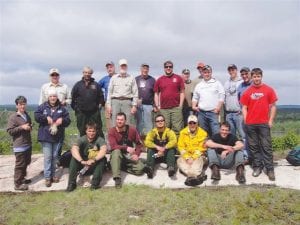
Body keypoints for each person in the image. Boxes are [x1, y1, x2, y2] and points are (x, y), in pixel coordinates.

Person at [240, 68, 278, 181]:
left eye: (258, 76)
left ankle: (269, 169)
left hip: (263, 123)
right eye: (254, 76)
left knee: (266, 147)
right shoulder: (247, 91)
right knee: (254, 147)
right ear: (252, 77)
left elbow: (273, 106)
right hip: (251, 124)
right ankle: (257, 167)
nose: (256, 78)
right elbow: (244, 107)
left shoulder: (268, 90)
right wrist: (246, 120)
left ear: (261, 77)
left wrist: (270, 120)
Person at [35, 89, 71, 187]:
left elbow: (68, 120)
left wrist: (62, 120)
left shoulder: (62, 108)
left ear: (57, 97)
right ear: (48, 97)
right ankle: (47, 177)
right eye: (51, 96)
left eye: (54, 96)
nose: (52, 98)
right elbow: (36, 116)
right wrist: (45, 118)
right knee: (48, 157)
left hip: (57, 137)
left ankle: (53, 175)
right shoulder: (43, 107)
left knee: (55, 157)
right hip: (46, 136)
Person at [39, 68, 71, 161]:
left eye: (56, 75)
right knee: (47, 139)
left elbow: (70, 99)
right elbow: (41, 102)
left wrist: (65, 101)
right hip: (47, 116)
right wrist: (42, 117)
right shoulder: (44, 87)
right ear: (50, 76)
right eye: (53, 75)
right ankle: (48, 161)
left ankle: (57, 160)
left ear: (59, 76)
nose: (55, 76)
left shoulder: (64, 87)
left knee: (59, 138)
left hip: (60, 115)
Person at [66, 123, 107, 192]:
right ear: (86, 131)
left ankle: (95, 184)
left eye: (93, 131)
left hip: (94, 164)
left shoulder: (100, 139)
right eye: (89, 131)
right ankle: (71, 184)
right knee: (74, 159)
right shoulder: (82, 139)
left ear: (96, 131)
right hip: (83, 165)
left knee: (102, 159)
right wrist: (81, 161)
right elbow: (74, 149)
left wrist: (94, 159)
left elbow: (104, 149)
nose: (91, 133)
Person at [108, 112, 145, 188]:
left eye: (121, 120)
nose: (119, 121)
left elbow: (139, 144)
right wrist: (126, 148)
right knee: (116, 151)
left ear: (125, 120)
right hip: (117, 155)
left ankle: (117, 166)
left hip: (128, 156)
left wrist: (136, 154)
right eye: (118, 119)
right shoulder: (112, 131)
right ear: (115, 120)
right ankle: (117, 178)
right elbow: (113, 146)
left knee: (140, 169)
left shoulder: (132, 130)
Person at [7, 96, 33, 191]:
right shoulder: (13, 117)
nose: (22, 106)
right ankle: (17, 184)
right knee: (20, 165)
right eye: (20, 104)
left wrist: (30, 126)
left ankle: (22, 179)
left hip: (27, 144)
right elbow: (10, 131)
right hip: (19, 145)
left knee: (26, 162)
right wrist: (22, 127)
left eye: (24, 104)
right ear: (17, 105)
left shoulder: (26, 115)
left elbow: (29, 125)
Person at [192, 65, 225, 137]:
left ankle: (217, 148)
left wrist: (218, 108)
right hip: (201, 113)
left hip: (213, 112)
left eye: (208, 72)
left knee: (216, 132)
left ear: (211, 73)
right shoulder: (199, 85)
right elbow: (195, 97)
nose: (206, 74)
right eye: (205, 72)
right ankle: (205, 148)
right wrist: (194, 106)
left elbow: (222, 96)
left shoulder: (217, 83)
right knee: (203, 133)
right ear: (202, 73)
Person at [71, 66, 104, 137]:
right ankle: (84, 146)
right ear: (83, 73)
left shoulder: (96, 84)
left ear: (91, 74)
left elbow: (101, 96)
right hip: (81, 112)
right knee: (82, 130)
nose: (87, 74)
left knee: (98, 129)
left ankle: (100, 146)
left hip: (94, 112)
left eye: (89, 73)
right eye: (85, 72)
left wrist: (100, 105)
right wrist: (76, 109)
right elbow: (73, 98)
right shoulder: (78, 85)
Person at [154, 60, 185, 136]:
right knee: (165, 128)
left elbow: (182, 92)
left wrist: (180, 105)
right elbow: (156, 93)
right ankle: (166, 146)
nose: (168, 68)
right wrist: (158, 106)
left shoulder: (178, 78)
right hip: (164, 109)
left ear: (172, 68)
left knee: (177, 128)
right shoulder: (159, 80)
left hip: (176, 108)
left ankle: (176, 147)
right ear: (164, 68)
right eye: (166, 67)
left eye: (170, 67)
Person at [177, 115, 208, 186]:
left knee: (197, 161)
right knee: (179, 161)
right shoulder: (182, 133)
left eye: (194, 123)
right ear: (187, 124)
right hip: (187, 156)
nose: (192, 125)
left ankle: (190, 176)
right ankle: (197, 176)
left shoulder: (203, 133)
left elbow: (202, 148)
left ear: (197, 124)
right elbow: (181, 147)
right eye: (190, 123)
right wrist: (187, 158)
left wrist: (193, 158)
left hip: (198, 156)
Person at [106, 59, 138, 126]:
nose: (123, 67)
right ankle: (115, 136)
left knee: (127, 122)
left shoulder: (131, 78)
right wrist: (109, 105)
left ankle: (126, 136)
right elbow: (109, 92)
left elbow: (135, 93)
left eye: (124, 66)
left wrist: (134, 105)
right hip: (115, 102)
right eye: (121, 66)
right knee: (114, 122)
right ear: (119, 67)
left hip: (127, 102)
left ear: (127, 67)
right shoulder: (114, 78)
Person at [144, 114, 177, 178]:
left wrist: (164, 148)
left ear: (164, 122)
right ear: (155, 123)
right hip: (156, 156)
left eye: (162, 120)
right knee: (150, 150)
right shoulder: (152, 132)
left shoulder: (169, 131)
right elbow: (147, 142)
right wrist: (157, 147)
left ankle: (171, 168)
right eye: (158, 121)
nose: (160, 122)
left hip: (166, 156)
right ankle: (150, 169)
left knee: (171, 150)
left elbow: (174, 141)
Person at [224, 64, 244, 140]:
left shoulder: (241, 82)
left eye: (233, 70)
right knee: (231, 135)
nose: (231, 71)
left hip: (239, 113)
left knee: (242, 133)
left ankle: (245, 151)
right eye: (230, 70)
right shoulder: (226, 83)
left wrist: (243, 109)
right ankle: (234, 151)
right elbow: (224, 97)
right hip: (229, 113)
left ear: (236, 70)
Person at [135, 63, 156, 138]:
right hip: (138, 105)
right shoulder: (136, 79)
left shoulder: (152, 80)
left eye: (146, 69)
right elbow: (132, 91)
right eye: (143, 68)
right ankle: (139, 141)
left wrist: (154, 105)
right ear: (141, 69)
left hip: (149, 105)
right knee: (139, 123)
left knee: (149, 124)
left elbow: (155, 94)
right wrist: (135, 102)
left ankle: (149, 140)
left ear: (148, 70)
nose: (145, 70)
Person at [237, 67, 252, 162]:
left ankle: (258, 157)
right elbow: (239, 100)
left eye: (246, 74)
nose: (244, 76)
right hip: (244, 113)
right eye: (242, 74)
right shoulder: (240, 86)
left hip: (254, 114)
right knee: (244, 136)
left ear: (250, 73)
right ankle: (246, 156)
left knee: (256, 136)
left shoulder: (254, 84)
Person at [98, 61, 116, 131]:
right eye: (108, 68)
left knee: (118, 120)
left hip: (117, 101)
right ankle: (110, 139)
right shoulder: (104, 79)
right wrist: (101, 100)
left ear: (114, 67)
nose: (109, 69)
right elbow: (97, 88)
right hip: (107, 103)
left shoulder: (119, 77)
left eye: (111, 67)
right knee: (109, 123)